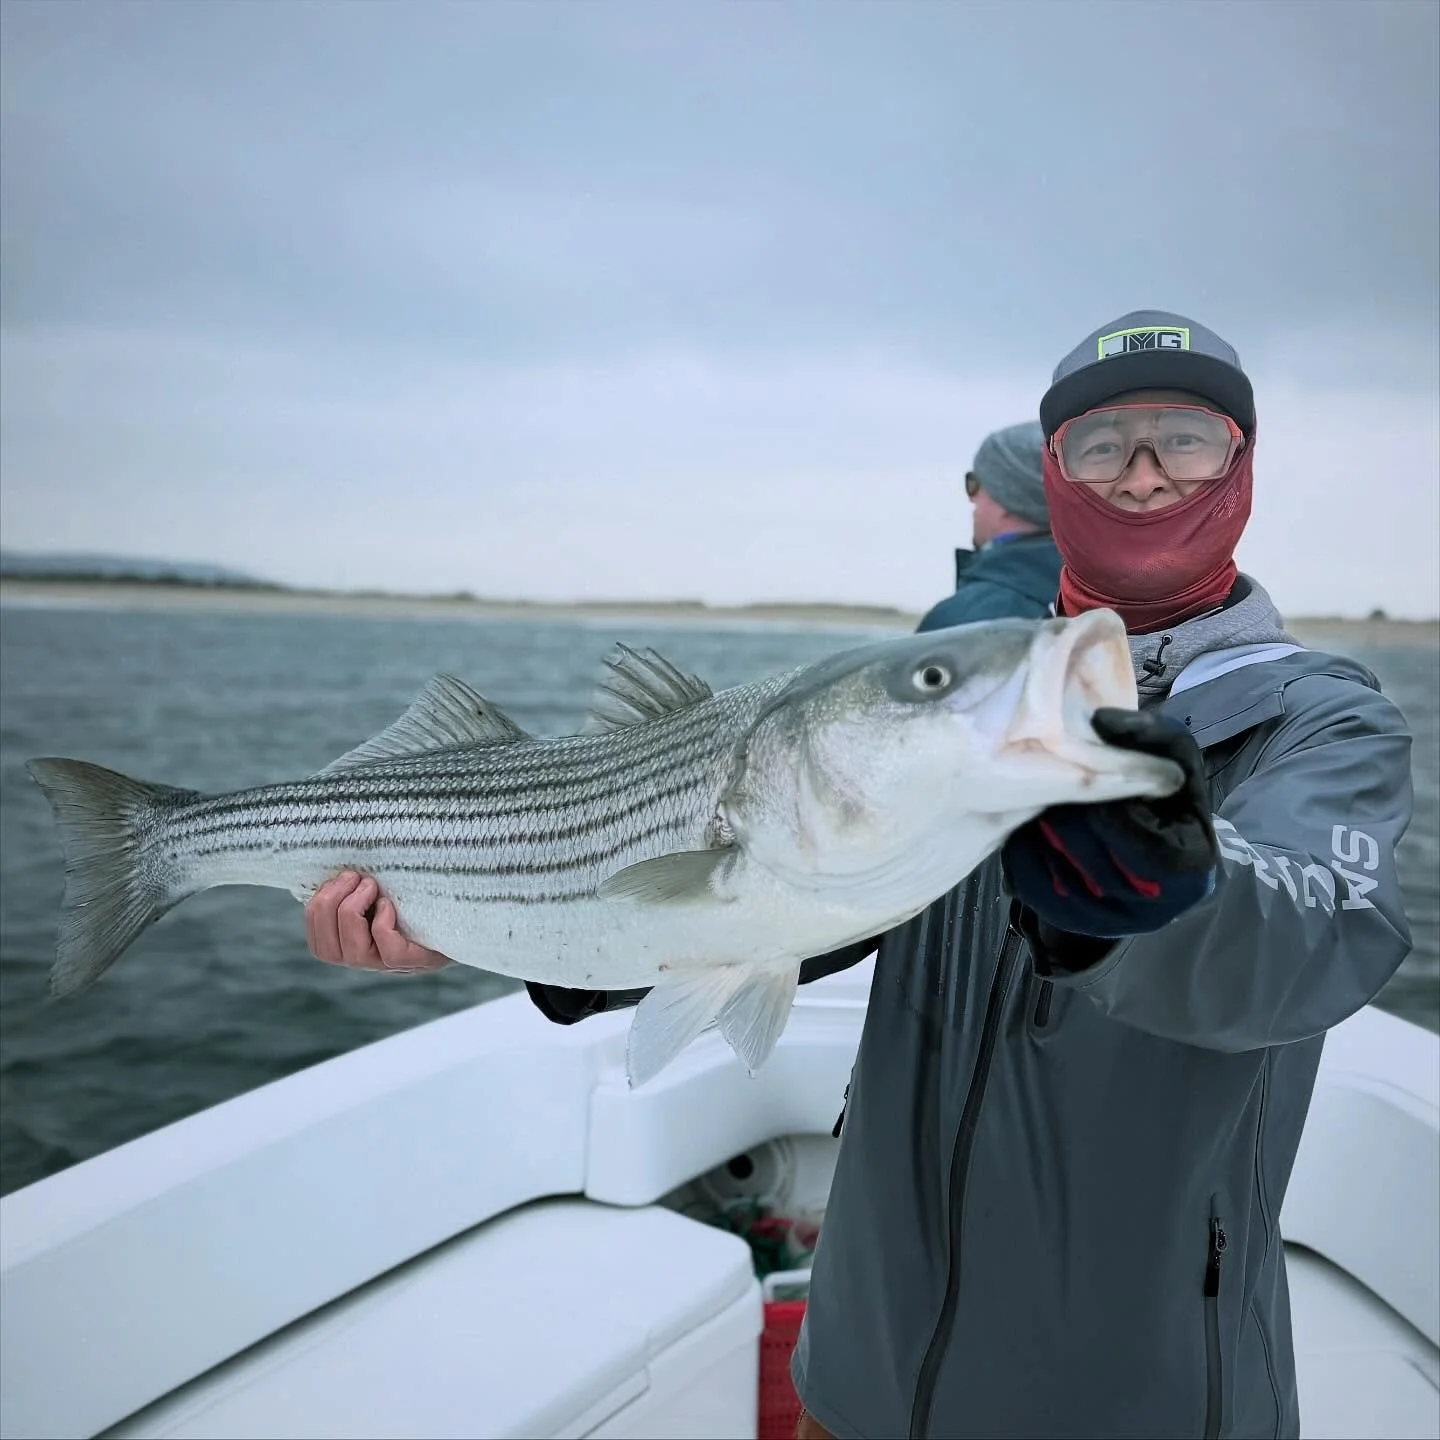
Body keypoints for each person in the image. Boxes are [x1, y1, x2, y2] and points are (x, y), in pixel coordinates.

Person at [303, 310, 1415, 1440]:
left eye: (1183, 439)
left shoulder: (1322, 722)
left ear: (1244, 464)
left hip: (1142, 1395)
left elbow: (1313, 947)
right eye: (1100, 445)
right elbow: (796, 903)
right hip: (864, 1365)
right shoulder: (960, 710)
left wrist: (1156, 897)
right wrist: (488, 914)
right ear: (1053, 474)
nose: (1139, 475)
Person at [916, 419, 1061, 630]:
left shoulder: (965, 619)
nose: (972, 500)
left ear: (1007, 498)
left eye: (974, 484)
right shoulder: (1098, 600)